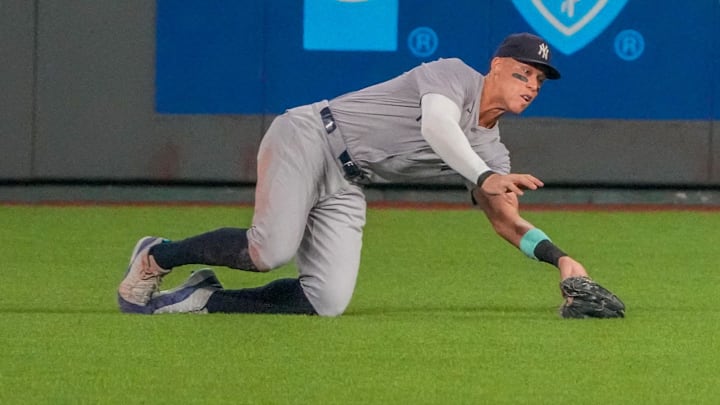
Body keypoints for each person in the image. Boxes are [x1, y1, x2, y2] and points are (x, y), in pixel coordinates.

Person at [118, 32, 590, 316]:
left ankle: (204, 299)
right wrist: (484, 175)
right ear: (496, 66)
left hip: (348, 179)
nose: (531, 86)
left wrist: (561, 259)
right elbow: (438, 126)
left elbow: (507, 221)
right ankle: (158, 256)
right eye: (523, 74)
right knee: (269, 251)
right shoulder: (453, 75)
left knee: (326, 301)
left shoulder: (492, 151)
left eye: (539, 82)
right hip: (309, 136)